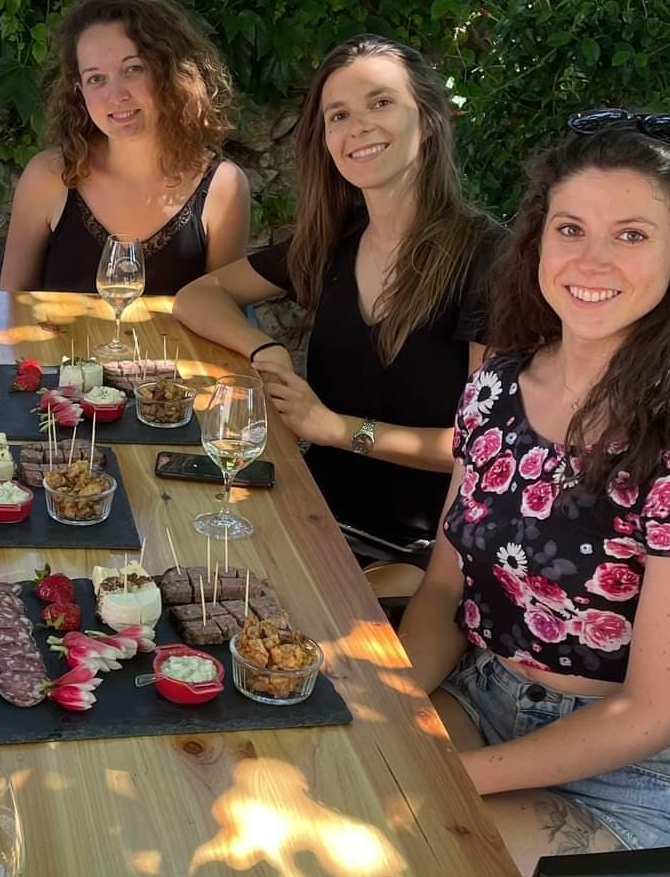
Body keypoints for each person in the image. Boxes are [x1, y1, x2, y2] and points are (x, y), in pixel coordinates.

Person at [397, 114, 670, 877]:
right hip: (480, 695)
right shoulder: (496, 389)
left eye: (631, 234)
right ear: (537, 241)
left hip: (624, 778)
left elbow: (651, 712)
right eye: (570, 229)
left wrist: (439, 779)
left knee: (403, 869)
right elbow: (445, 589)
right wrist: (389, 719)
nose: (591, 261)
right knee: (325, 794)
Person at [173, 35, 501, 586]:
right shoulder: (335, 240)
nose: (358, 127)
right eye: (339, 115)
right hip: (310, 511)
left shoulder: (488, 257)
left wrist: (336, 429)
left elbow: (485, 446)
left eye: (381, 102)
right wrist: (265, 348)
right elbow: (197, 296)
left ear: (429, 118)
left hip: (423, 550)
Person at [0, 0, 252, 296]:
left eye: (133, 69)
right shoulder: (49, 176)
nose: (116, 95)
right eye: (96, 78)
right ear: (79, 91)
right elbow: (10, 308)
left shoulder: (222, 187)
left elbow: (223, 312)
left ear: (171, 72)